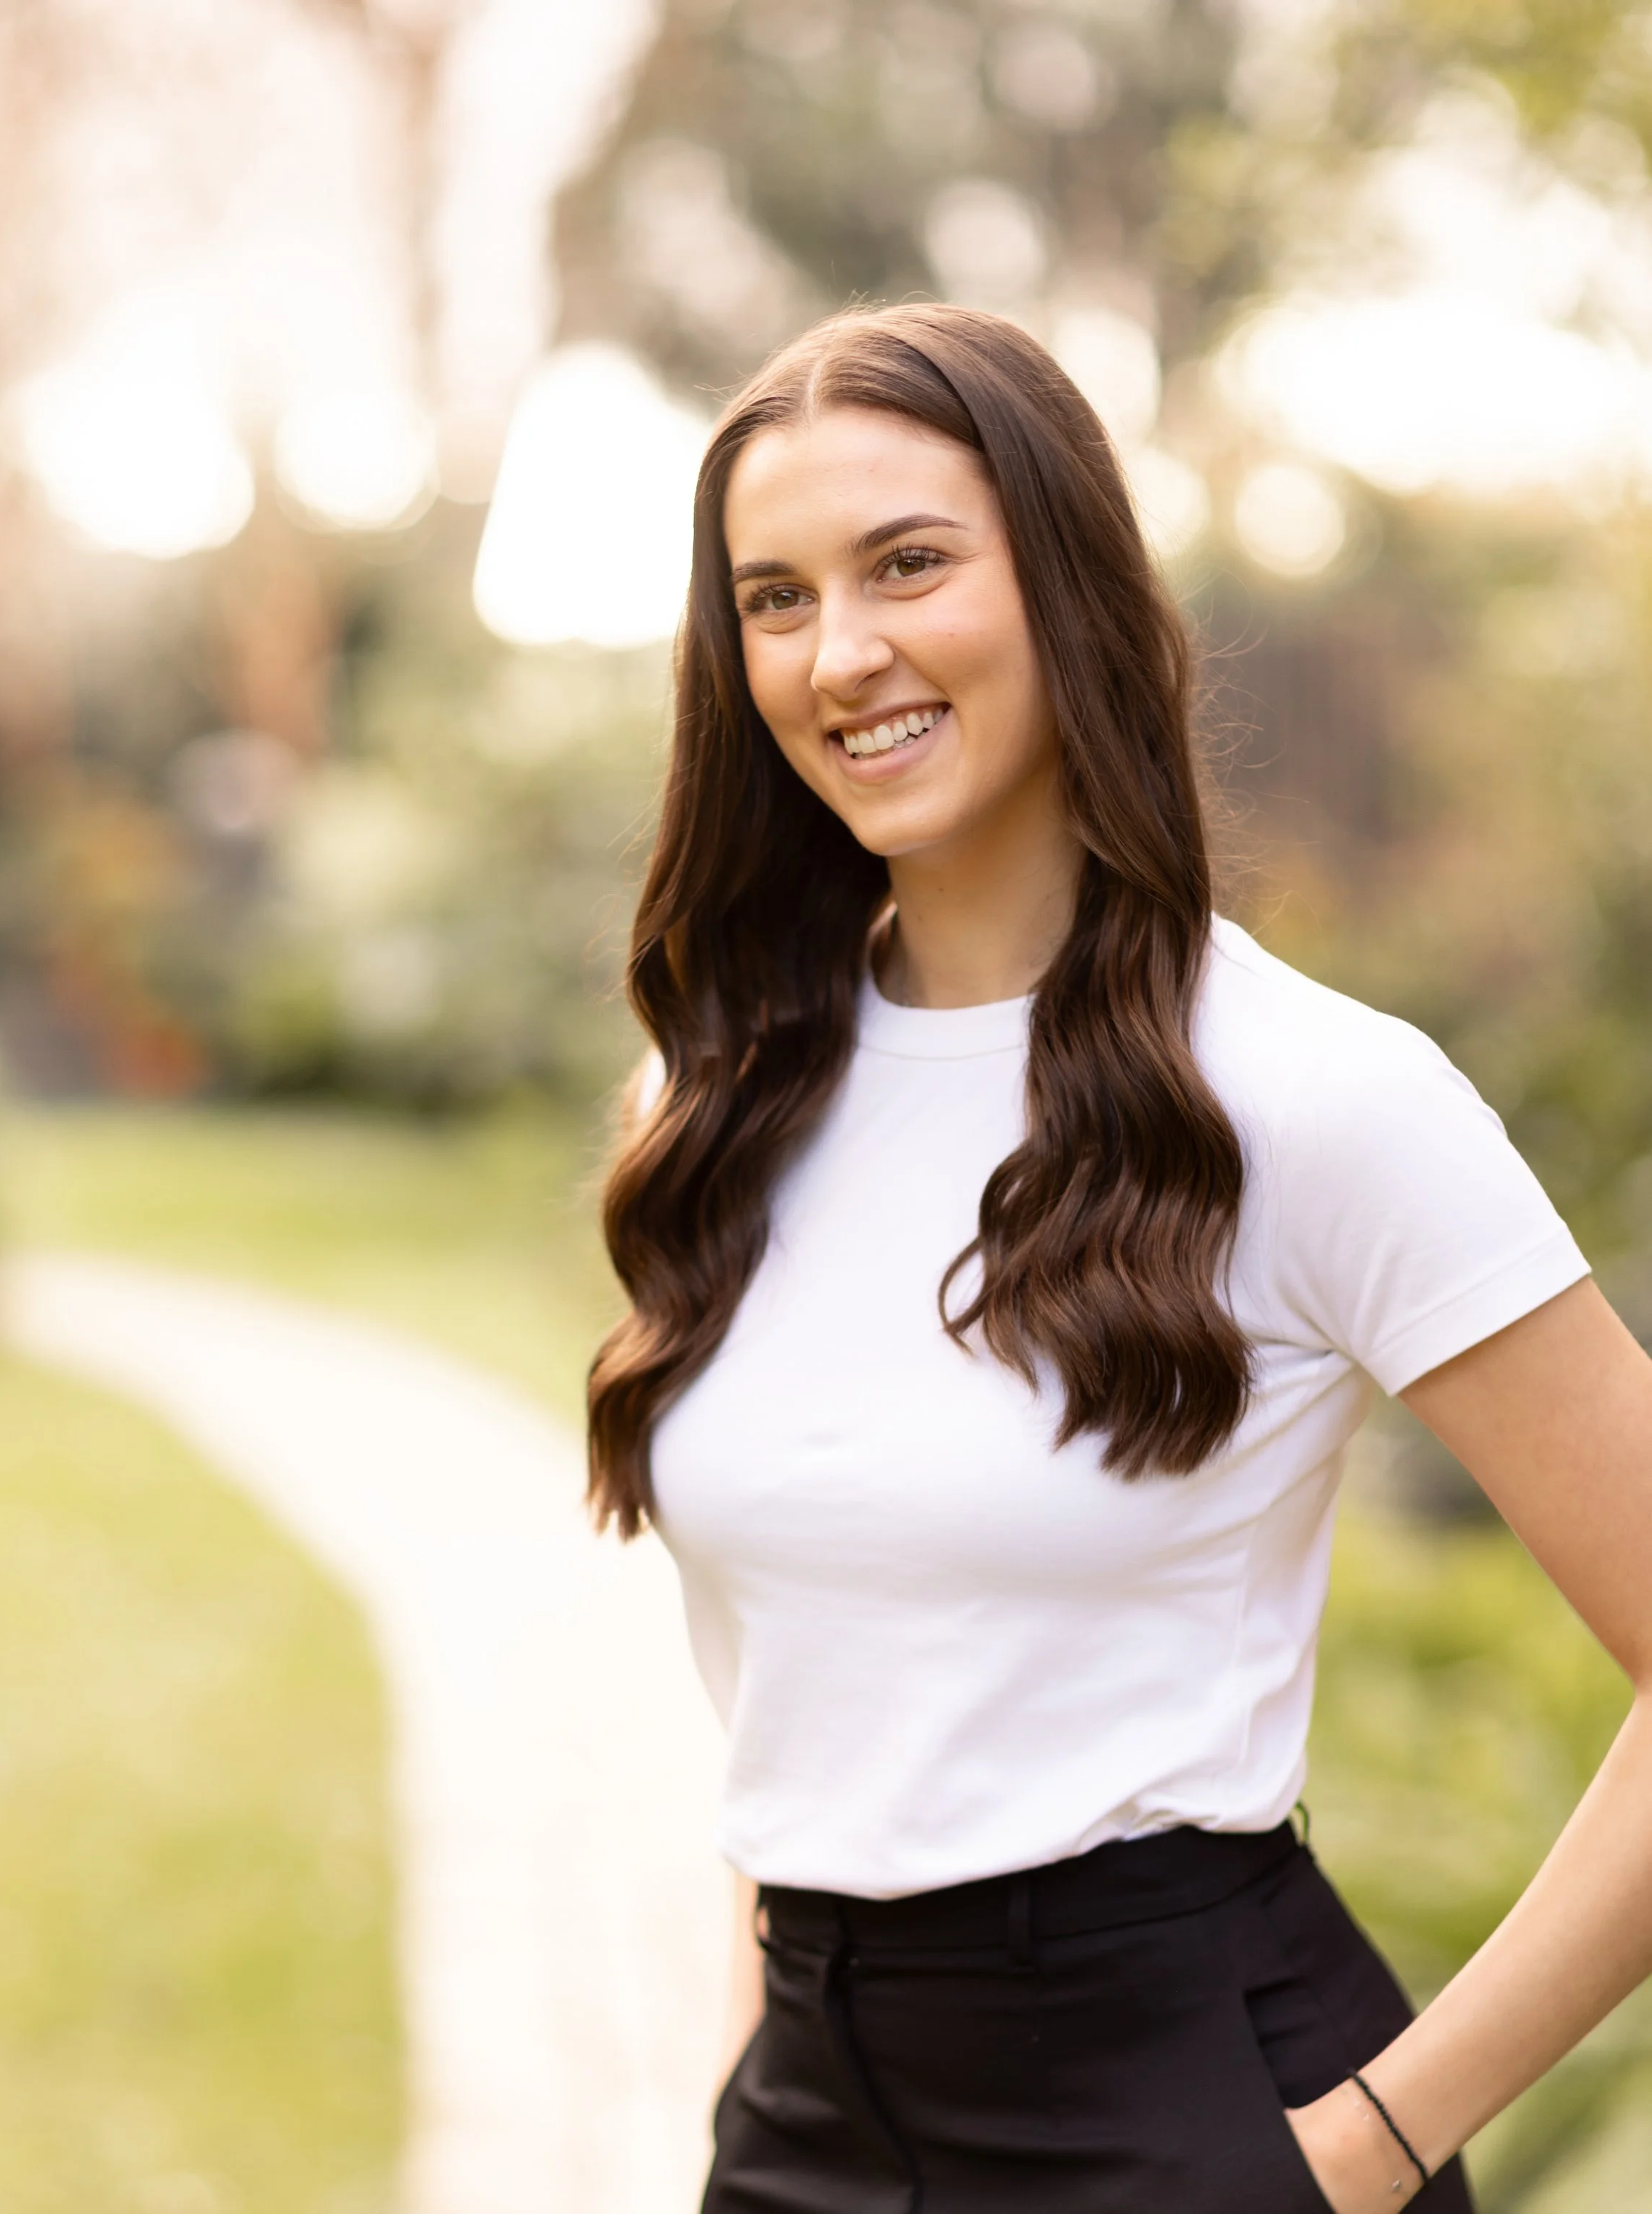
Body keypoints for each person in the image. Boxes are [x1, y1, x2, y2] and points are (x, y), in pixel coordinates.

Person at [586, 303, 1652, 2213]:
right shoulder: (711, 1093)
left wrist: (1361, 2147)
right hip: (804, 2125)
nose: (843, 653)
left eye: (907, 563)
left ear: (1066, 580)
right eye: (772, 597)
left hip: (1192, 2117)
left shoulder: (1317, 1099)